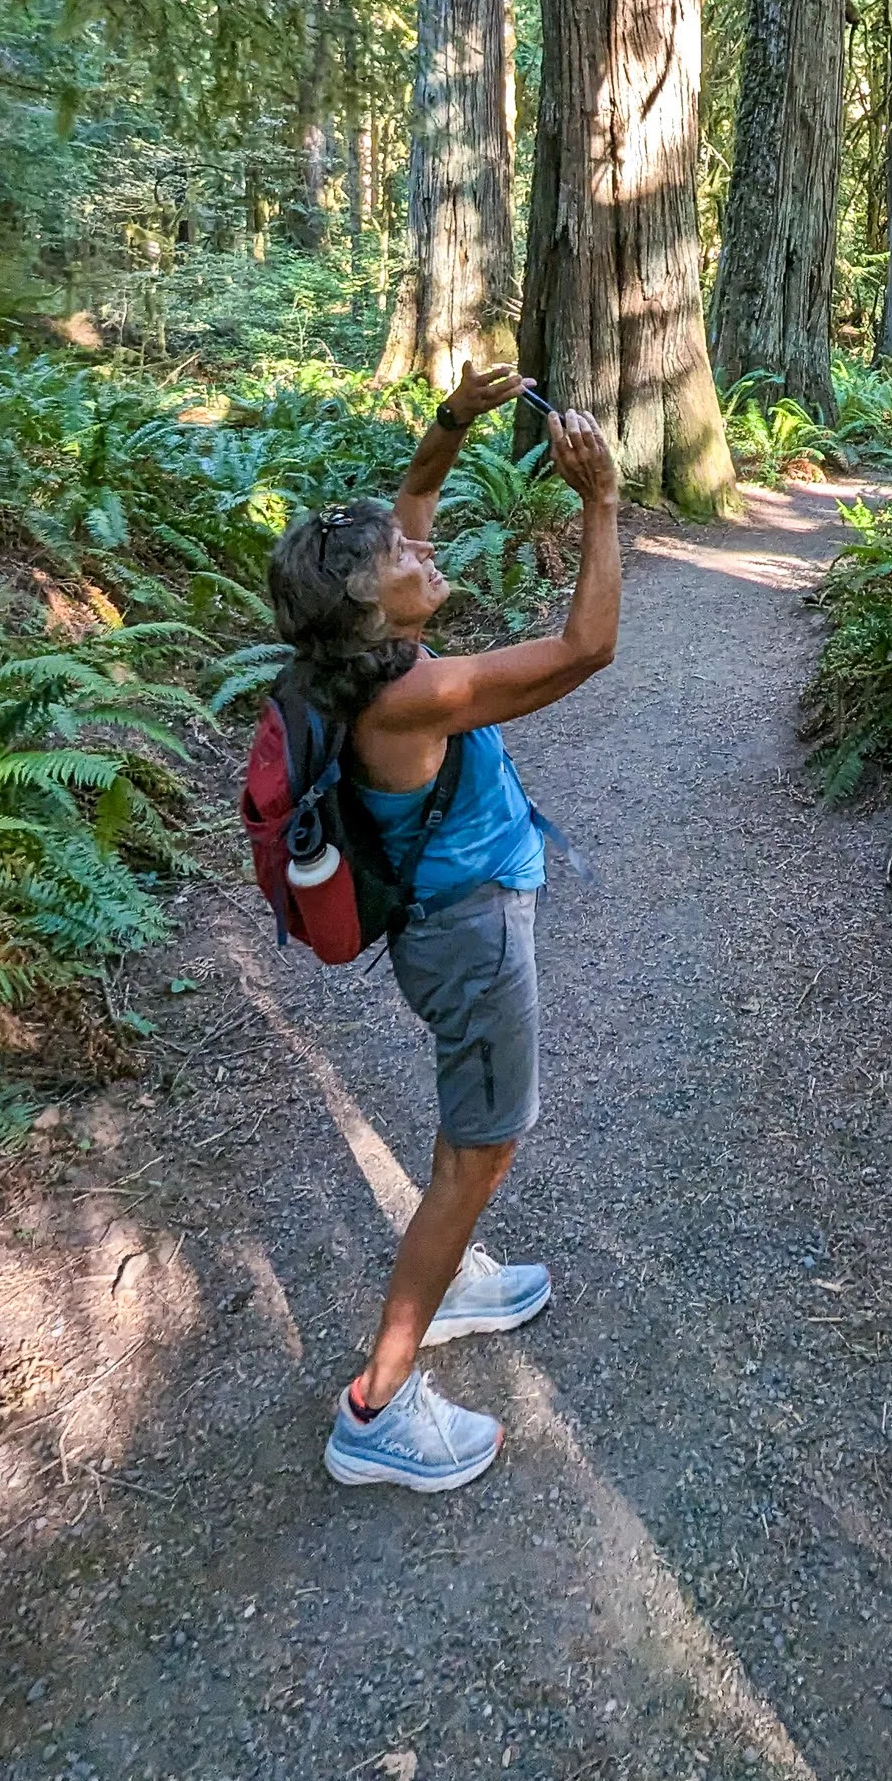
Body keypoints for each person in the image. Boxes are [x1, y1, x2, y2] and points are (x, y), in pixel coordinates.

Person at [265, 363, 620, 1494]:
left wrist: (456, 419)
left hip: (445, 924)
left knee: (468, 1129)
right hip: (466, 934)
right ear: (375, 610)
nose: (425, 551)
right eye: (403, 563)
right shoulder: (410, 696)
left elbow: (413, 498)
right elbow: (583, 651)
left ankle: (453, 1275)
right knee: (481, 1151)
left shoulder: (350, 653)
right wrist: (601, 504)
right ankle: (377, 1409)